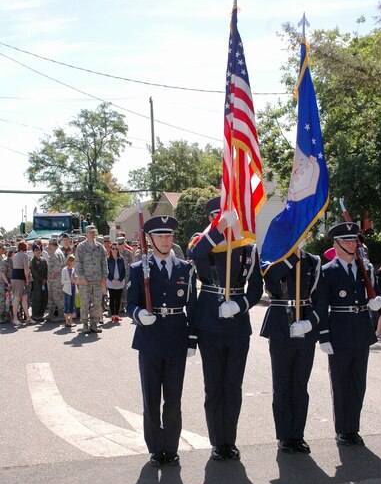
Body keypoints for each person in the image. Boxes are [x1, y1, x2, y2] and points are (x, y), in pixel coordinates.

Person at [187, 197, 264, 462]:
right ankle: (216, 441)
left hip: (237, 326)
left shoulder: (248, 248)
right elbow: (194, 256)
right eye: (217, 217)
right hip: (209, 323)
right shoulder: (204, 244)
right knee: (213, 386)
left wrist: (240, 305)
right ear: (211, 219)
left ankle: (229, 440)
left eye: (227, 216)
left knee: (233, 385)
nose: (223, 221)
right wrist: (219, 229)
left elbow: (256, 289)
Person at [127, 215, 197, 467]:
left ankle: (171, 446)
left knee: (174, 399)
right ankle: (156, 447)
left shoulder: (185, 269)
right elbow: (130, 304)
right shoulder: (138, 269)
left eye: (168, 236)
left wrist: (191, 340)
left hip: (177, 338)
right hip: (150, 340)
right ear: (151, 240)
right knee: (151, 397)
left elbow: (193, 307)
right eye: (160, 236)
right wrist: (138, 315)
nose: (165, 240)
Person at [319, 222, 381, 447]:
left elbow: (377, 292)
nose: (352, 243)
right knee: (340, 382)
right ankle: (342, 430)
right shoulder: (327, 272)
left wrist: (379, 301)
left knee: (358, 382)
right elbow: (320, 306)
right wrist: (324, 336)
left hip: (361, 330)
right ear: (335, 245)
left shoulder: (365, 268)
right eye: (346, 240)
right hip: (339, 330)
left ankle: (353, 428)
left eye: (354, 240)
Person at [260, 249, 325, 454]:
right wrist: (291, 257)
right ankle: (284, 435)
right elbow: (271, 282)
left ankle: (298, 435)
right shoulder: (272, 258)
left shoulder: (313, 261)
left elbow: (321, 299)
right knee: (282, 384)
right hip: (280, 325)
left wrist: (310, 322)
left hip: (304, 323)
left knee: (300, 384)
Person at [74, 224, 108, 334]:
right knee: (85, 302)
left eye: (94, 232)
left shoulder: (99, 247)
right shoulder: (81, 247)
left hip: (97, 280)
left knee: (97, 302)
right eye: (90, 232)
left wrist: (104, 276)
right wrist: (82, 277)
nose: (92, 234)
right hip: (85, 281)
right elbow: (78, 263)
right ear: (86, 234)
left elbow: (104, 262)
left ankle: (94, 324)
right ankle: (84, 324)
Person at [11, 241, 35, 326]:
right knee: (17, 298)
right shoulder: (24, 255)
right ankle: (15, 319)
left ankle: (28, 317)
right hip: (19, 279)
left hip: (16, 278)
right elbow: (26, 269)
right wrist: (27, 280)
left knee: (24, 298)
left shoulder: (16, 255)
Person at [46, 238, 66, 322]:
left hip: (56, 280)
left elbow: (58, 265)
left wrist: (54, 273)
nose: (48, 247)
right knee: (52, 297)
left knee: (58, 297)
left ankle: (61, 315)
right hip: (54, 280)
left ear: (51, 245)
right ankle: (51, 314)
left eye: (49, 245)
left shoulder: (56, 253)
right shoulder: (58, 251)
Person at [106, 241, 126, 322]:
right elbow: (106, 271)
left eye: (116, 248)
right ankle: (113, 315)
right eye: (113, 248)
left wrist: (120, 280)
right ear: (110, 249)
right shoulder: (107, 259)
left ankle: (117, 315)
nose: (114, 250)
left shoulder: (121, 259)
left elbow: (124, 271)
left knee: (118, 299)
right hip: (111, 282)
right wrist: (112, 280)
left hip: (120, 282)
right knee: (112, 298)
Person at [29, 243, 48, 321]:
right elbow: (34, 272)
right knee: (37, 298)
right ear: (33, 251)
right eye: (36, 250)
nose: (38, 251)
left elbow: (47, 270)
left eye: (39, 250)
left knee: (44, 298)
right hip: (36, 283)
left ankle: (41, 314)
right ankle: (35, 315)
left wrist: (45, 279)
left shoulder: (43, 260)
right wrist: (41, 279)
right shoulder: (32, 261)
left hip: (44, 282)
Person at [61, 254, 77, 327]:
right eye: (73, 261)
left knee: (72, 306)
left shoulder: (74, 269)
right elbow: (63, 281)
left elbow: (75, 279)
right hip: (67, 290)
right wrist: (70, 280)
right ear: (70, 261)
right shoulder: (64, 270)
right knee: (67, 305)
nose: (74, 263)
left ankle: (71, 321)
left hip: (73, 289)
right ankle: (67, 321)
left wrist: (75, 279)